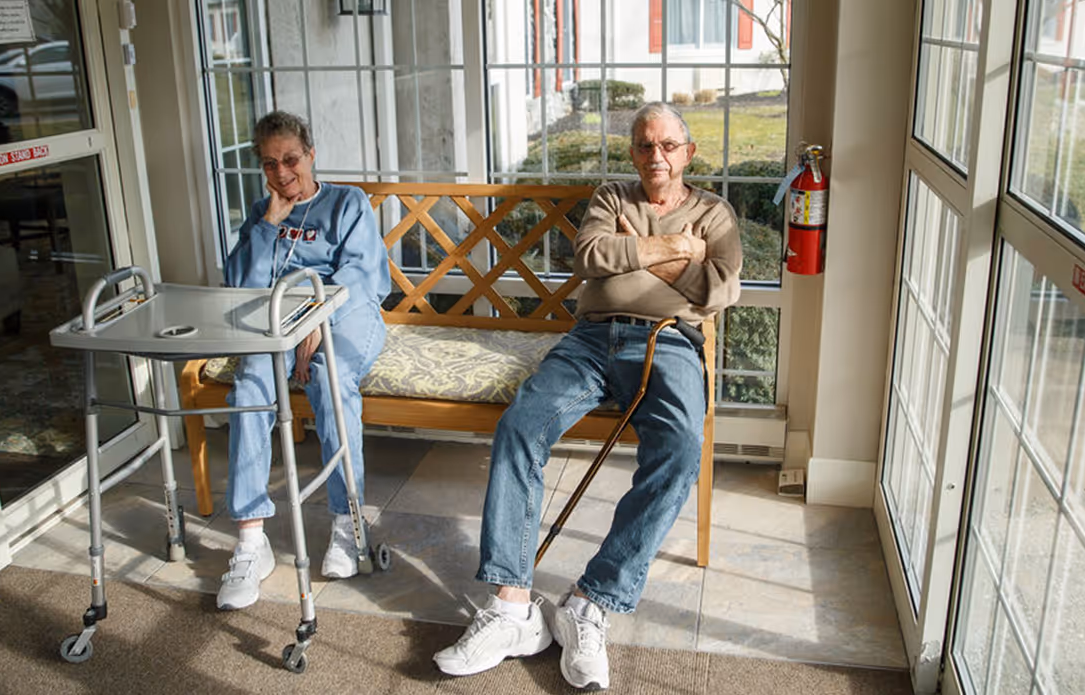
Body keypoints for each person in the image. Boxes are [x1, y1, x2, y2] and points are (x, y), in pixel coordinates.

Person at [433, 102, 742, 690]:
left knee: (680, 449)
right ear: (633, 153)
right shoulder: (610, 197)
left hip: (668, 342)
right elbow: (591, 258)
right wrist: (678, 249)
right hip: (591, 339)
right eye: (645, 146)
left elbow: (720, 289)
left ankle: (589, 602)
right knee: (521, 426)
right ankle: (513, 608)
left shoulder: (714, 212)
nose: (657, 157)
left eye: (668, 146)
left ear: (688, 153)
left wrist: (646, 250)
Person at [216, 111, 390, 610]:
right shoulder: (261, 212)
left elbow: (361, 275)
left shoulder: (346, 203)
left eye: (291, 159)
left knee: (330, 380)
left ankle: (347, 523)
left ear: (311, 154)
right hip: (276, 321)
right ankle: (252, 540)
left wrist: (319, 318)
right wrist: (268, 226)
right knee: (250, 384)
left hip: (344, 313)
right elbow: (239, 287)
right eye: (270, 164)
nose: (283, 172)